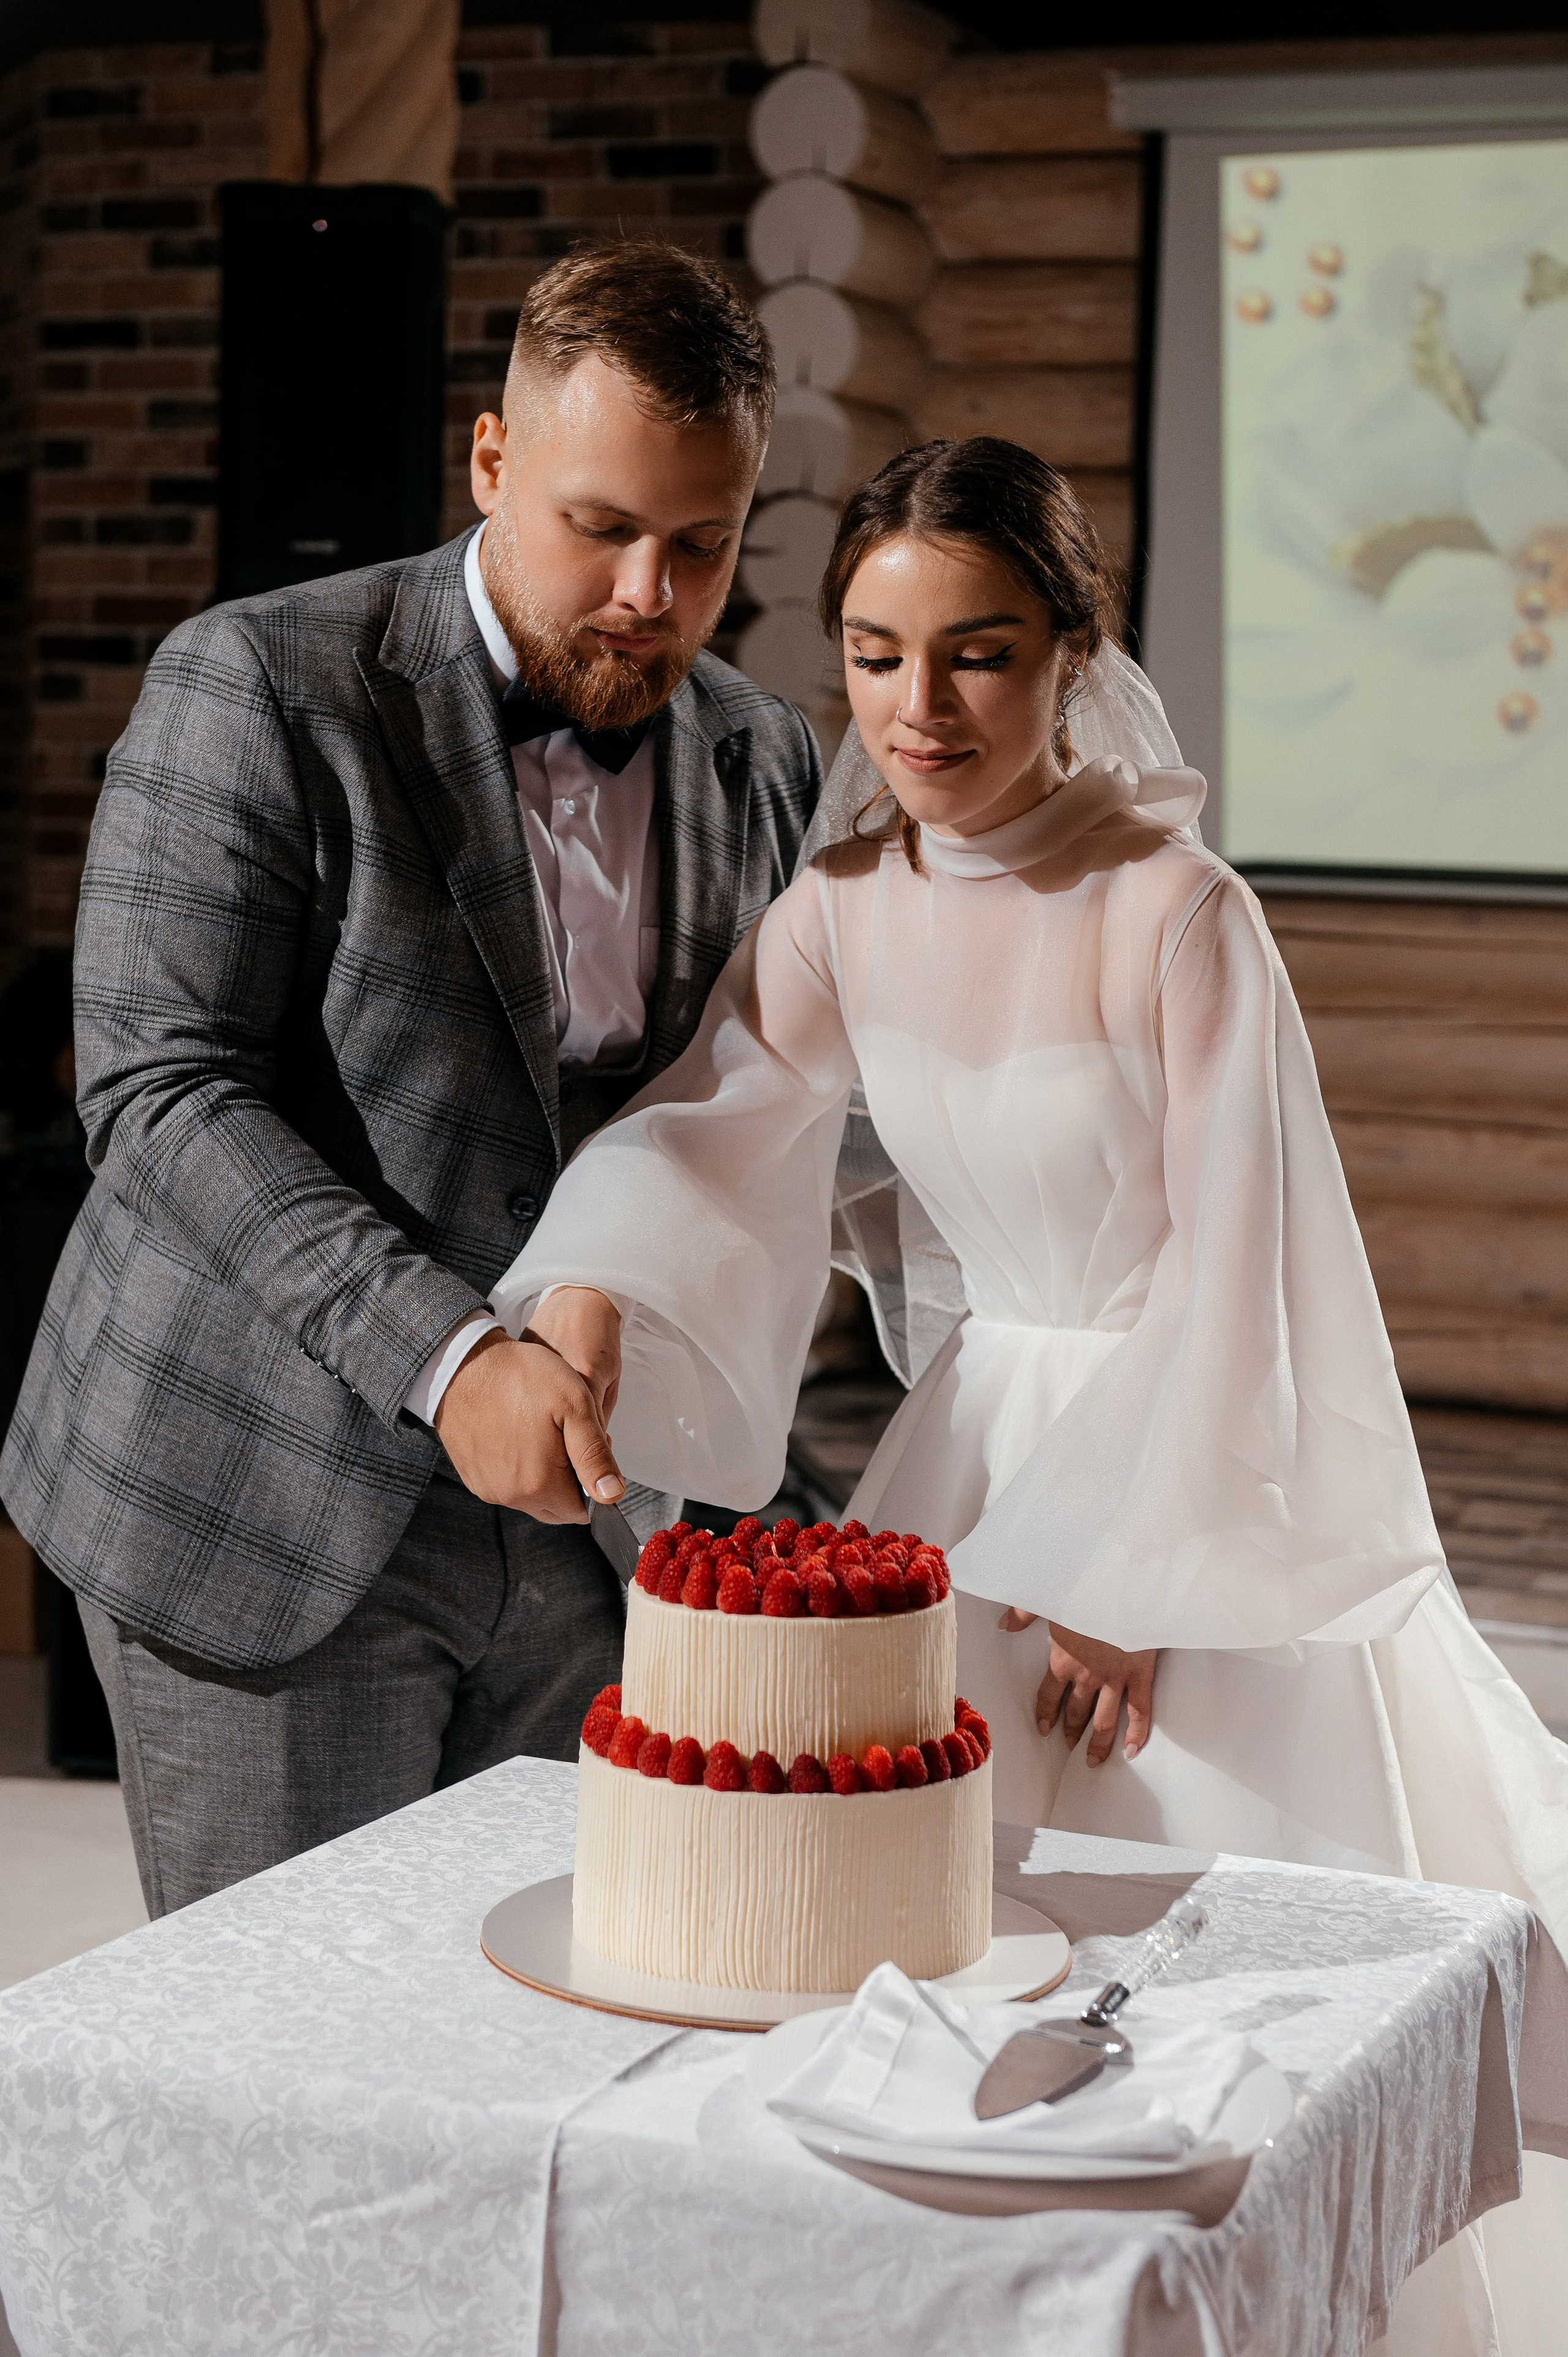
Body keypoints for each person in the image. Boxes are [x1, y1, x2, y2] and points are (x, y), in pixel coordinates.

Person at [494, 436, 1568, 2357]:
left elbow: (1257, 1269)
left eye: (977, 654)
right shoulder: (840, 910)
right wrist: (584, 1283)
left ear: (1073, 653)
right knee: (916, 1983)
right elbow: (719, 1128)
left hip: (1187, 1485)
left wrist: (1137, 1578)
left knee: (1216, 2021)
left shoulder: (1178, 910)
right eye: (878, 657)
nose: (920, 710)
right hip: (976, 1469)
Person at [0, 241, 823, 1917]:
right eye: (602, 529)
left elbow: (731, 1111)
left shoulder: (763, 754)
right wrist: (448, 1361)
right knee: (284, 2074)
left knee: (532, 2044)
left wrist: (615, 1283)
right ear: (492, 461)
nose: (650, 595)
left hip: (603, 1528)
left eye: (704, 543)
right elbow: (160, 1088)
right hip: (263, 1494)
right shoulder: (255, 684)